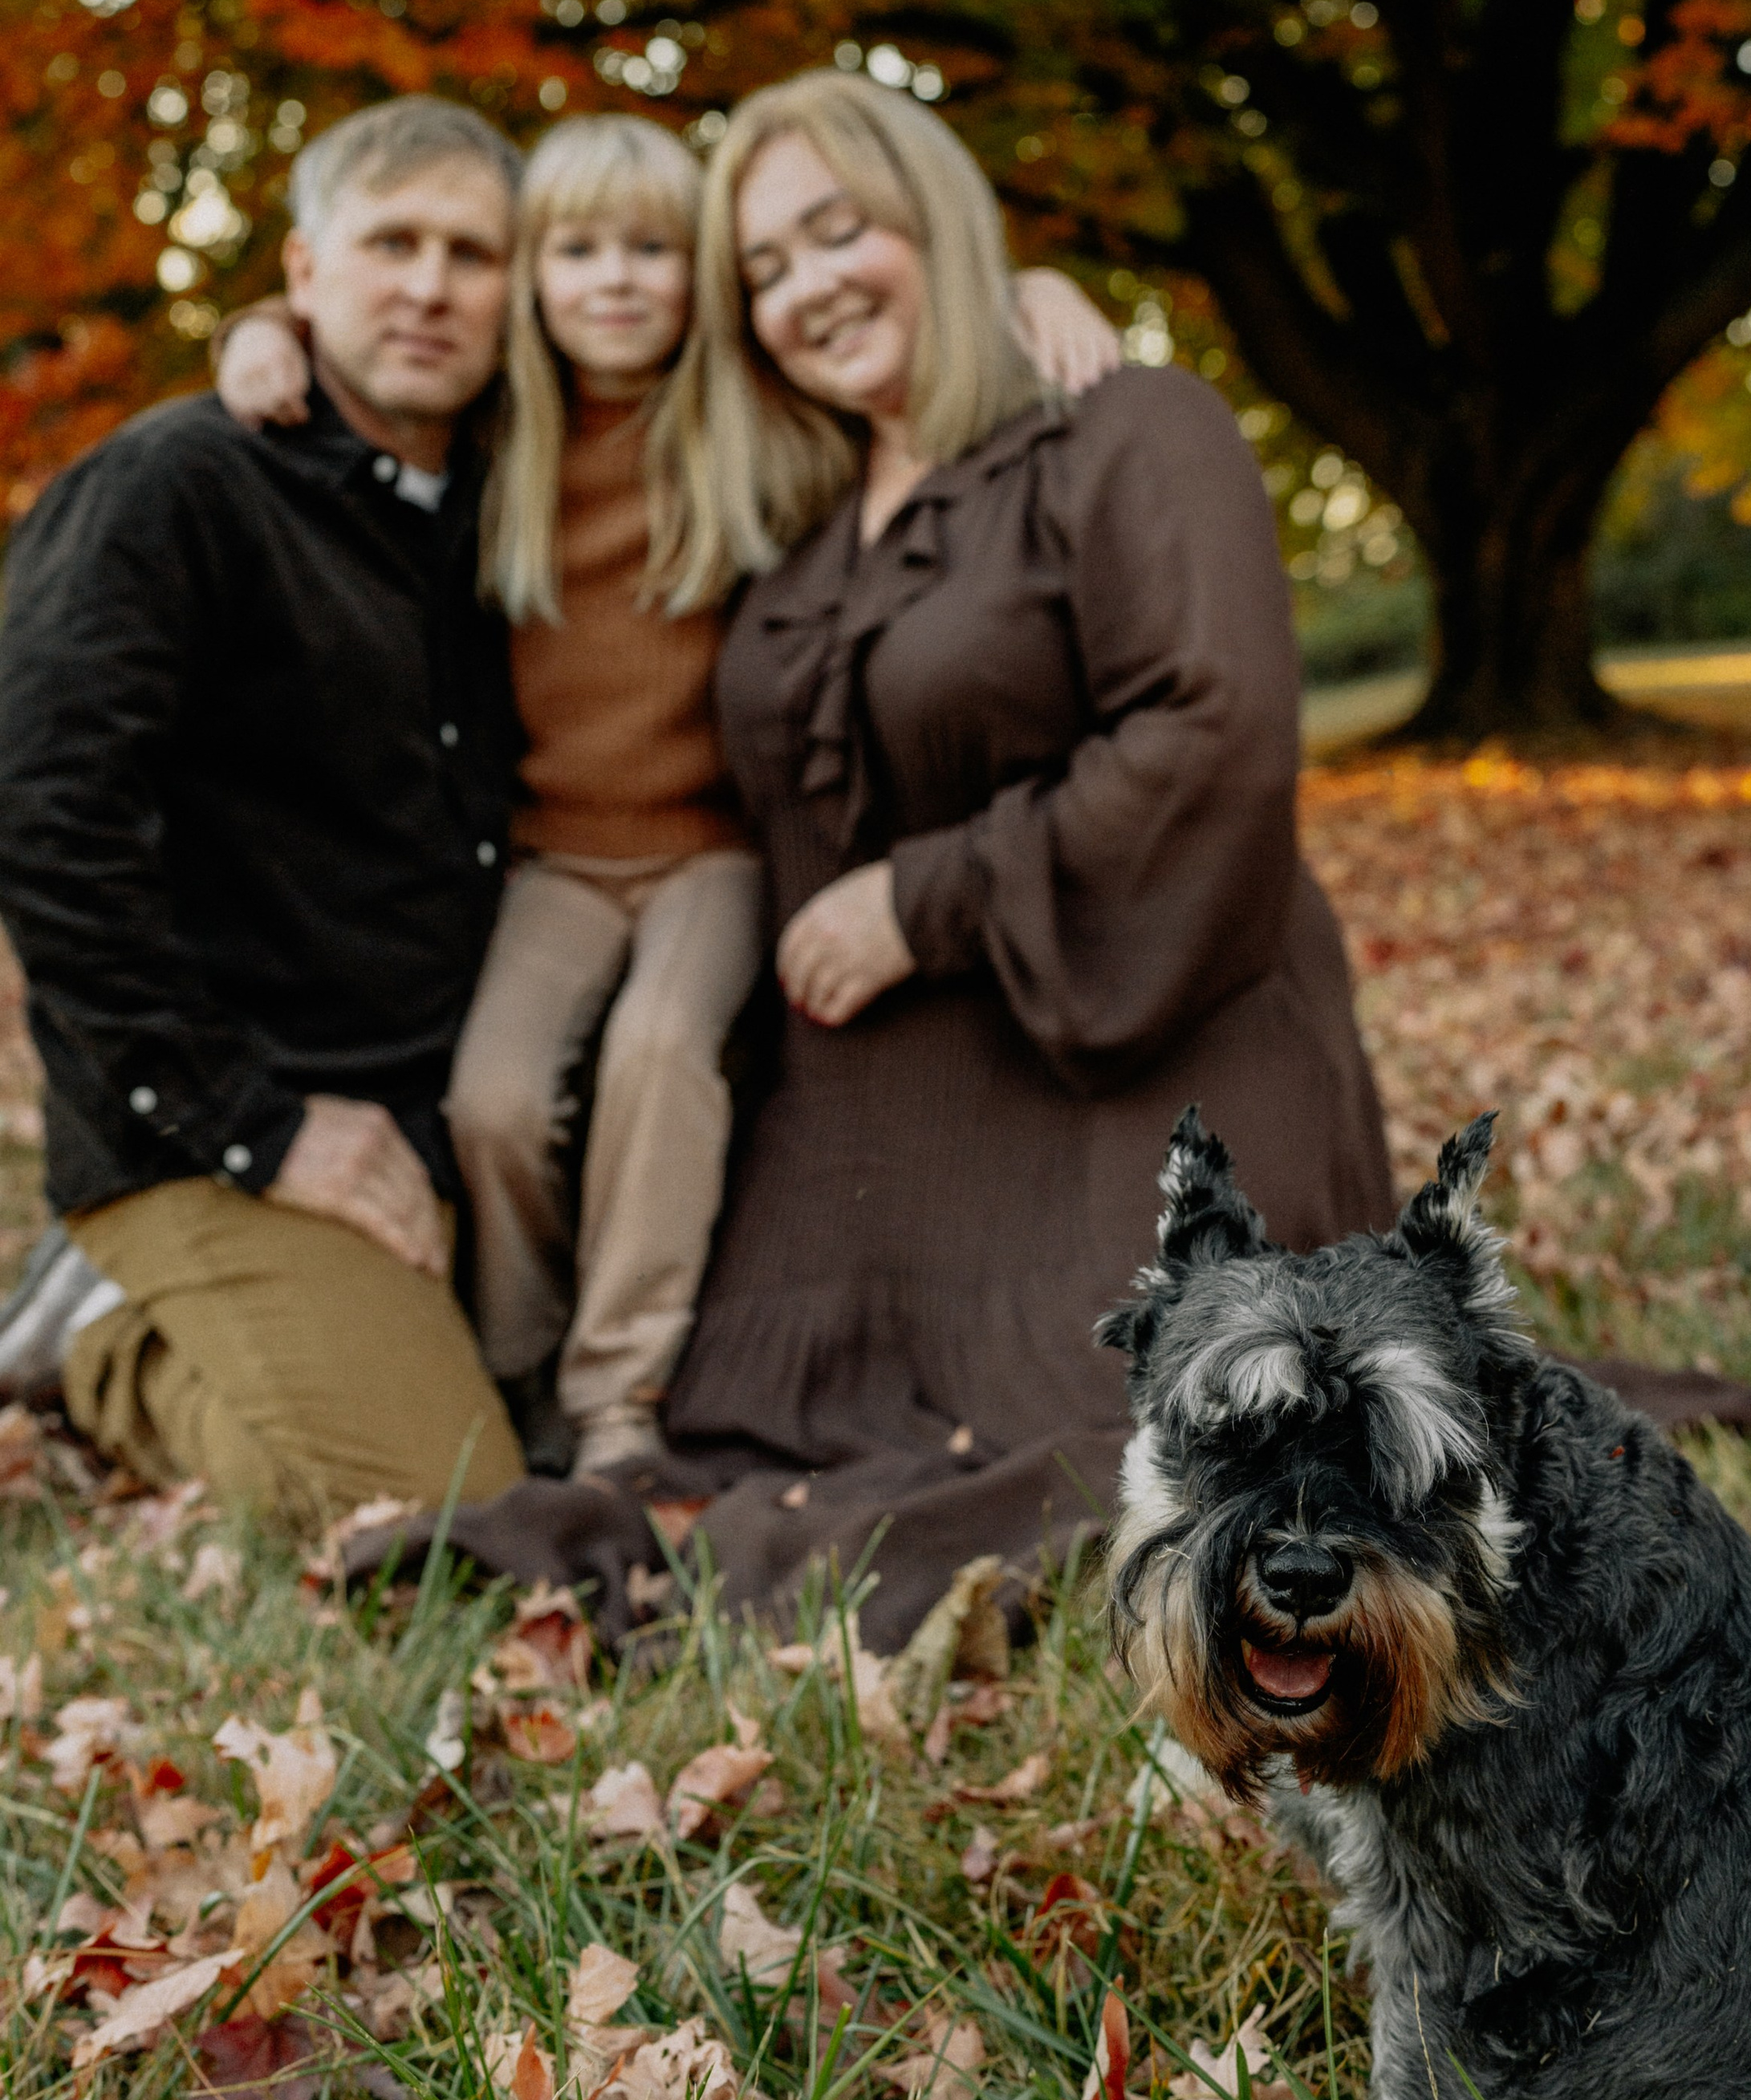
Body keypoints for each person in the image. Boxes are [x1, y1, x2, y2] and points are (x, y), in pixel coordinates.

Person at [209, 114, 1120, 1480]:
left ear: (702, 276)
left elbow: (903, 354)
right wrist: (261, 332)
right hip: (556, 859)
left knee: (656, 1056)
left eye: (652, 251)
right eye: (576, 252)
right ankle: (520, 1368)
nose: (616, 282)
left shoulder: (749, 420)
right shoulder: (501, 429)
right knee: (494, 1102)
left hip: (712, 856)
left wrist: (1027, 291)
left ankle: (619, 1397)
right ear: (532, 279)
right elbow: (359, 341)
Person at [644, 71, 1398, 1649]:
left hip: (1147, 1043)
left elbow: (1213, 730)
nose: (804, 289)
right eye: (762, 270)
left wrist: (925, 902)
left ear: (934, 217)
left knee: (1130, 1429)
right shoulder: (795, 521)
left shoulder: (1125, 428)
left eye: (837, 231)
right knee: (753, 1443)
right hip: (870, 1126)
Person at [0, 97, 530, 1520]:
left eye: (472, 254)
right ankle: (106, 1350)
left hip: (438, 1114)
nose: (430, 286)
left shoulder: (514, 499)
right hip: (218, 1125)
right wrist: (256, 1124)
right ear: (303, 272)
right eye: (391, 243)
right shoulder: (176, 486)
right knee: (444, 1504)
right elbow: (45, 818)